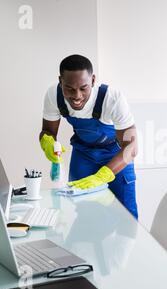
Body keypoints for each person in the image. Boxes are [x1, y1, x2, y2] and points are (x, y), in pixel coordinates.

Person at [39, 54, 138, 219]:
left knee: (126, 214)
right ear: (60, 81)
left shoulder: (112, 99)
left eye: (83, 88)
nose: (77, 96)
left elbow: (132, 147)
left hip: (116, 154)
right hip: (83, 154)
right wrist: (47, 143)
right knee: (84, 212)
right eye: (69, 88)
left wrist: (102, 175)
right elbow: (48, 131)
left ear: (92, 80)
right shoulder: (53, 96)